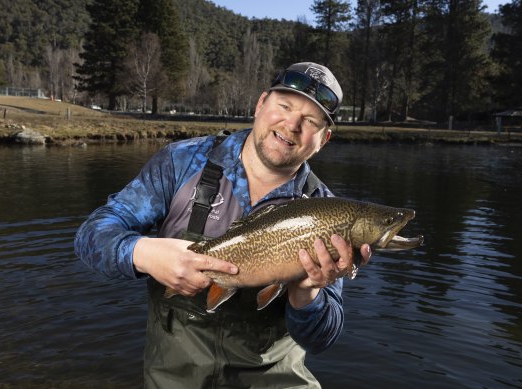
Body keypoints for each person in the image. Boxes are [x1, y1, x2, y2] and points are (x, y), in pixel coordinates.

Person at [74, 61, 371, 388]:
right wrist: (143, 253)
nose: (291, 125)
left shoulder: (329, 211)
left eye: (311, 121)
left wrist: (307, 291)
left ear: (324, 138)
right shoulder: (182, 163)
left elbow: (321, 339)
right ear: (261, 105)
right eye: (284, 106)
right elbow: (92, 235)